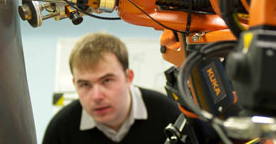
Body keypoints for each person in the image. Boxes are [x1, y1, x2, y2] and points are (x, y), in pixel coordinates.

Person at [42, 32, 181, 144]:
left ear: (128, 77)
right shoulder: (60, 130)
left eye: (107, 80)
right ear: (74, 84)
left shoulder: (171, 116)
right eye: (85, 84)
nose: (97, 96)